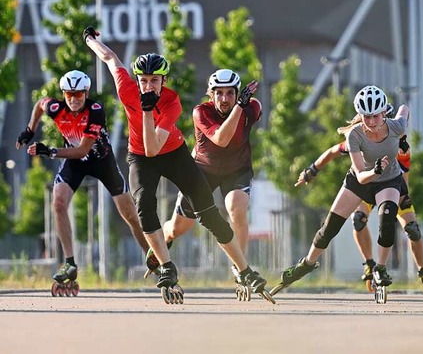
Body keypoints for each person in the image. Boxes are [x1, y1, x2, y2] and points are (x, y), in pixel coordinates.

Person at [82, 26, 271, 301]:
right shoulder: (126, 89)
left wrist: (148, 111)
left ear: (164, 81)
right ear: (137, 80)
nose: (148, 86)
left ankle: (243, 270)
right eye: (144, 80)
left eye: (155, 81)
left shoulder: (172, 103)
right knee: (144, 206)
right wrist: (90, 40)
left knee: (209, 214)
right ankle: (167, 268)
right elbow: (110, 58)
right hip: (140, 157)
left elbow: (156, 146)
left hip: (173, 153)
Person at [16, 70, 149, 293]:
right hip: (75, 164)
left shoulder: (95, 111)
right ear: (63, 94)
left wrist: (49, 151)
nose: (74, 99)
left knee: (130, 216)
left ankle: (154, 258)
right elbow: (40, 103)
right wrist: (30, 130)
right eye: (69, 94)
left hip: (101, 162)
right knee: (58, 203)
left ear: (86, 93)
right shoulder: (56, 108)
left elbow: (82, 150)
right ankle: (70, 262)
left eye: (78, 94)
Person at [273, 85, 409, 295]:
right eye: (366, 117)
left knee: (387, 219)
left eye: (376, 116)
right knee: (330, 228)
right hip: (361, 179)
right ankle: (307, 264)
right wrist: (312, 171)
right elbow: (359, 173)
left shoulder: (396, 127)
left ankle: (380, 268)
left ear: (384, 113)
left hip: (389, 181)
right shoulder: (355, 134)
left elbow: (404, 110)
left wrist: (403, 129)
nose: (371, 122)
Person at [296, 109, 423, 293]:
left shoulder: (400, 145)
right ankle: (370, 262)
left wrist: (401, 200)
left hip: (393, 188)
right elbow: (332, 151)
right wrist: (312, 170)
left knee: (412, 228)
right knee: (358, 220)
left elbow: (404, 177)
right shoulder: (358, 137)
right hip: (366, 185)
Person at [144, 69, 261, 285]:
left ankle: (240, 268)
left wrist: (241, 108)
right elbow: (221, 139)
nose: (224, 99)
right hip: (203, 171)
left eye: (230, 94)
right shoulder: (201, 112)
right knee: (178, 228)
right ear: (210, 94)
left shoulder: (252, 108)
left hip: (237, 170)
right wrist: (238, 108)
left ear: (238, 94)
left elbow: (246, 117)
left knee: (236, 206)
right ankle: (163, 242)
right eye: (219, 93)